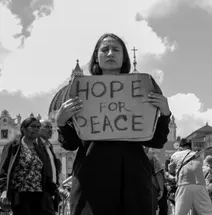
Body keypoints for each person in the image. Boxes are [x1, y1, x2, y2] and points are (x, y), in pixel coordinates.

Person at [55, 33, 171, 215]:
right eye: (105, 49)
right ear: (96, 57)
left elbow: (155, 142)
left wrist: (164, 114)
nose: (110, 53)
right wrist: (61, 122)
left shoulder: (143, 86)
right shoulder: (79, 90)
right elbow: (71, 144)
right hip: (91, 180)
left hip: (133, 180)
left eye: (116, 49)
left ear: (124, 57)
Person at [0, 117, 58, 215]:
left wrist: (57, 189)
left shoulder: (39, 149)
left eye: (38, 127)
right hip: (20, 195)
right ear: (23, 128)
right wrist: (4, 190)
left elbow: (43, 173)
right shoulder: (13, 146)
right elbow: (3, 170)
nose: (36, 129)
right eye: (33, 126)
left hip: (39, 196)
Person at [168, 138, 212, 215]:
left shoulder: (176, 154)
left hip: (184, 184)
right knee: (208, 213)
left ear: (180, 147)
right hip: (200, 185)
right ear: (190, 146)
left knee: (179, 213)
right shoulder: (198, 155)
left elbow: (171, 170)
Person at [39, 119, 62, 215]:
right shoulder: (36, 145)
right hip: (41, 192)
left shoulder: (49, 146)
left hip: (50, 192)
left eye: (51, 127)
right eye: (47, 127)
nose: (50, 130)